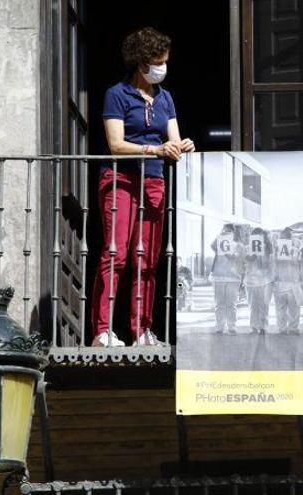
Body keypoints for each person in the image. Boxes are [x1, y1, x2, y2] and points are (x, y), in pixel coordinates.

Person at [92, 27, 195, 347]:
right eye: (157, 62)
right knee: (116, 253)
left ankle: (142, 331)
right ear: (140, 63)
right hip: (121, 179)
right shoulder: (117, 94)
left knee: (147, 258)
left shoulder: (166, 99)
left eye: (165, 61)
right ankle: (103, 330)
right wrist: (155, 150)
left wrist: (183, 145)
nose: (162, 68)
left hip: (153, 180)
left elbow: (173, 140)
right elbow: (116, 144)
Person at [210, 224, 245, 335]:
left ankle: (232, 326)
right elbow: (212, 246)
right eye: (225, 230)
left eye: (229, 231)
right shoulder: (219, 243)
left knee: (231, 303)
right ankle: (219, 326)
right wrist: (220, 235)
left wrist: (229, 255)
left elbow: (238, 258)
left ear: (234, 233)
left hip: (233, 277)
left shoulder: (238, 245)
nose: (227, 232)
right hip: (218, 276)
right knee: (219, 303)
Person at [273, 228, 303, 334]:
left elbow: (271, 265)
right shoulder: (295, 250)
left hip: (280, 282)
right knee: (293, 308)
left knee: (280, 308)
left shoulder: (275, 250)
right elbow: (299, 264)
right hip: (292, 283)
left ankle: (282, 328)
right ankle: (293, 328)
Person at [244, 227, 273, 335]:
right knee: (253, 304)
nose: (259, 237)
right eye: (256, 235)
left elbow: (269, 265)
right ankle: (253, 326)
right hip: (251, 280)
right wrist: (253, 255)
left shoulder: (268, 249)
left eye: (260, 235)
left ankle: (263, 326)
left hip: (265, 280)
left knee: (264, 304)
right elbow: (245, 260)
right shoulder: (248, 248)